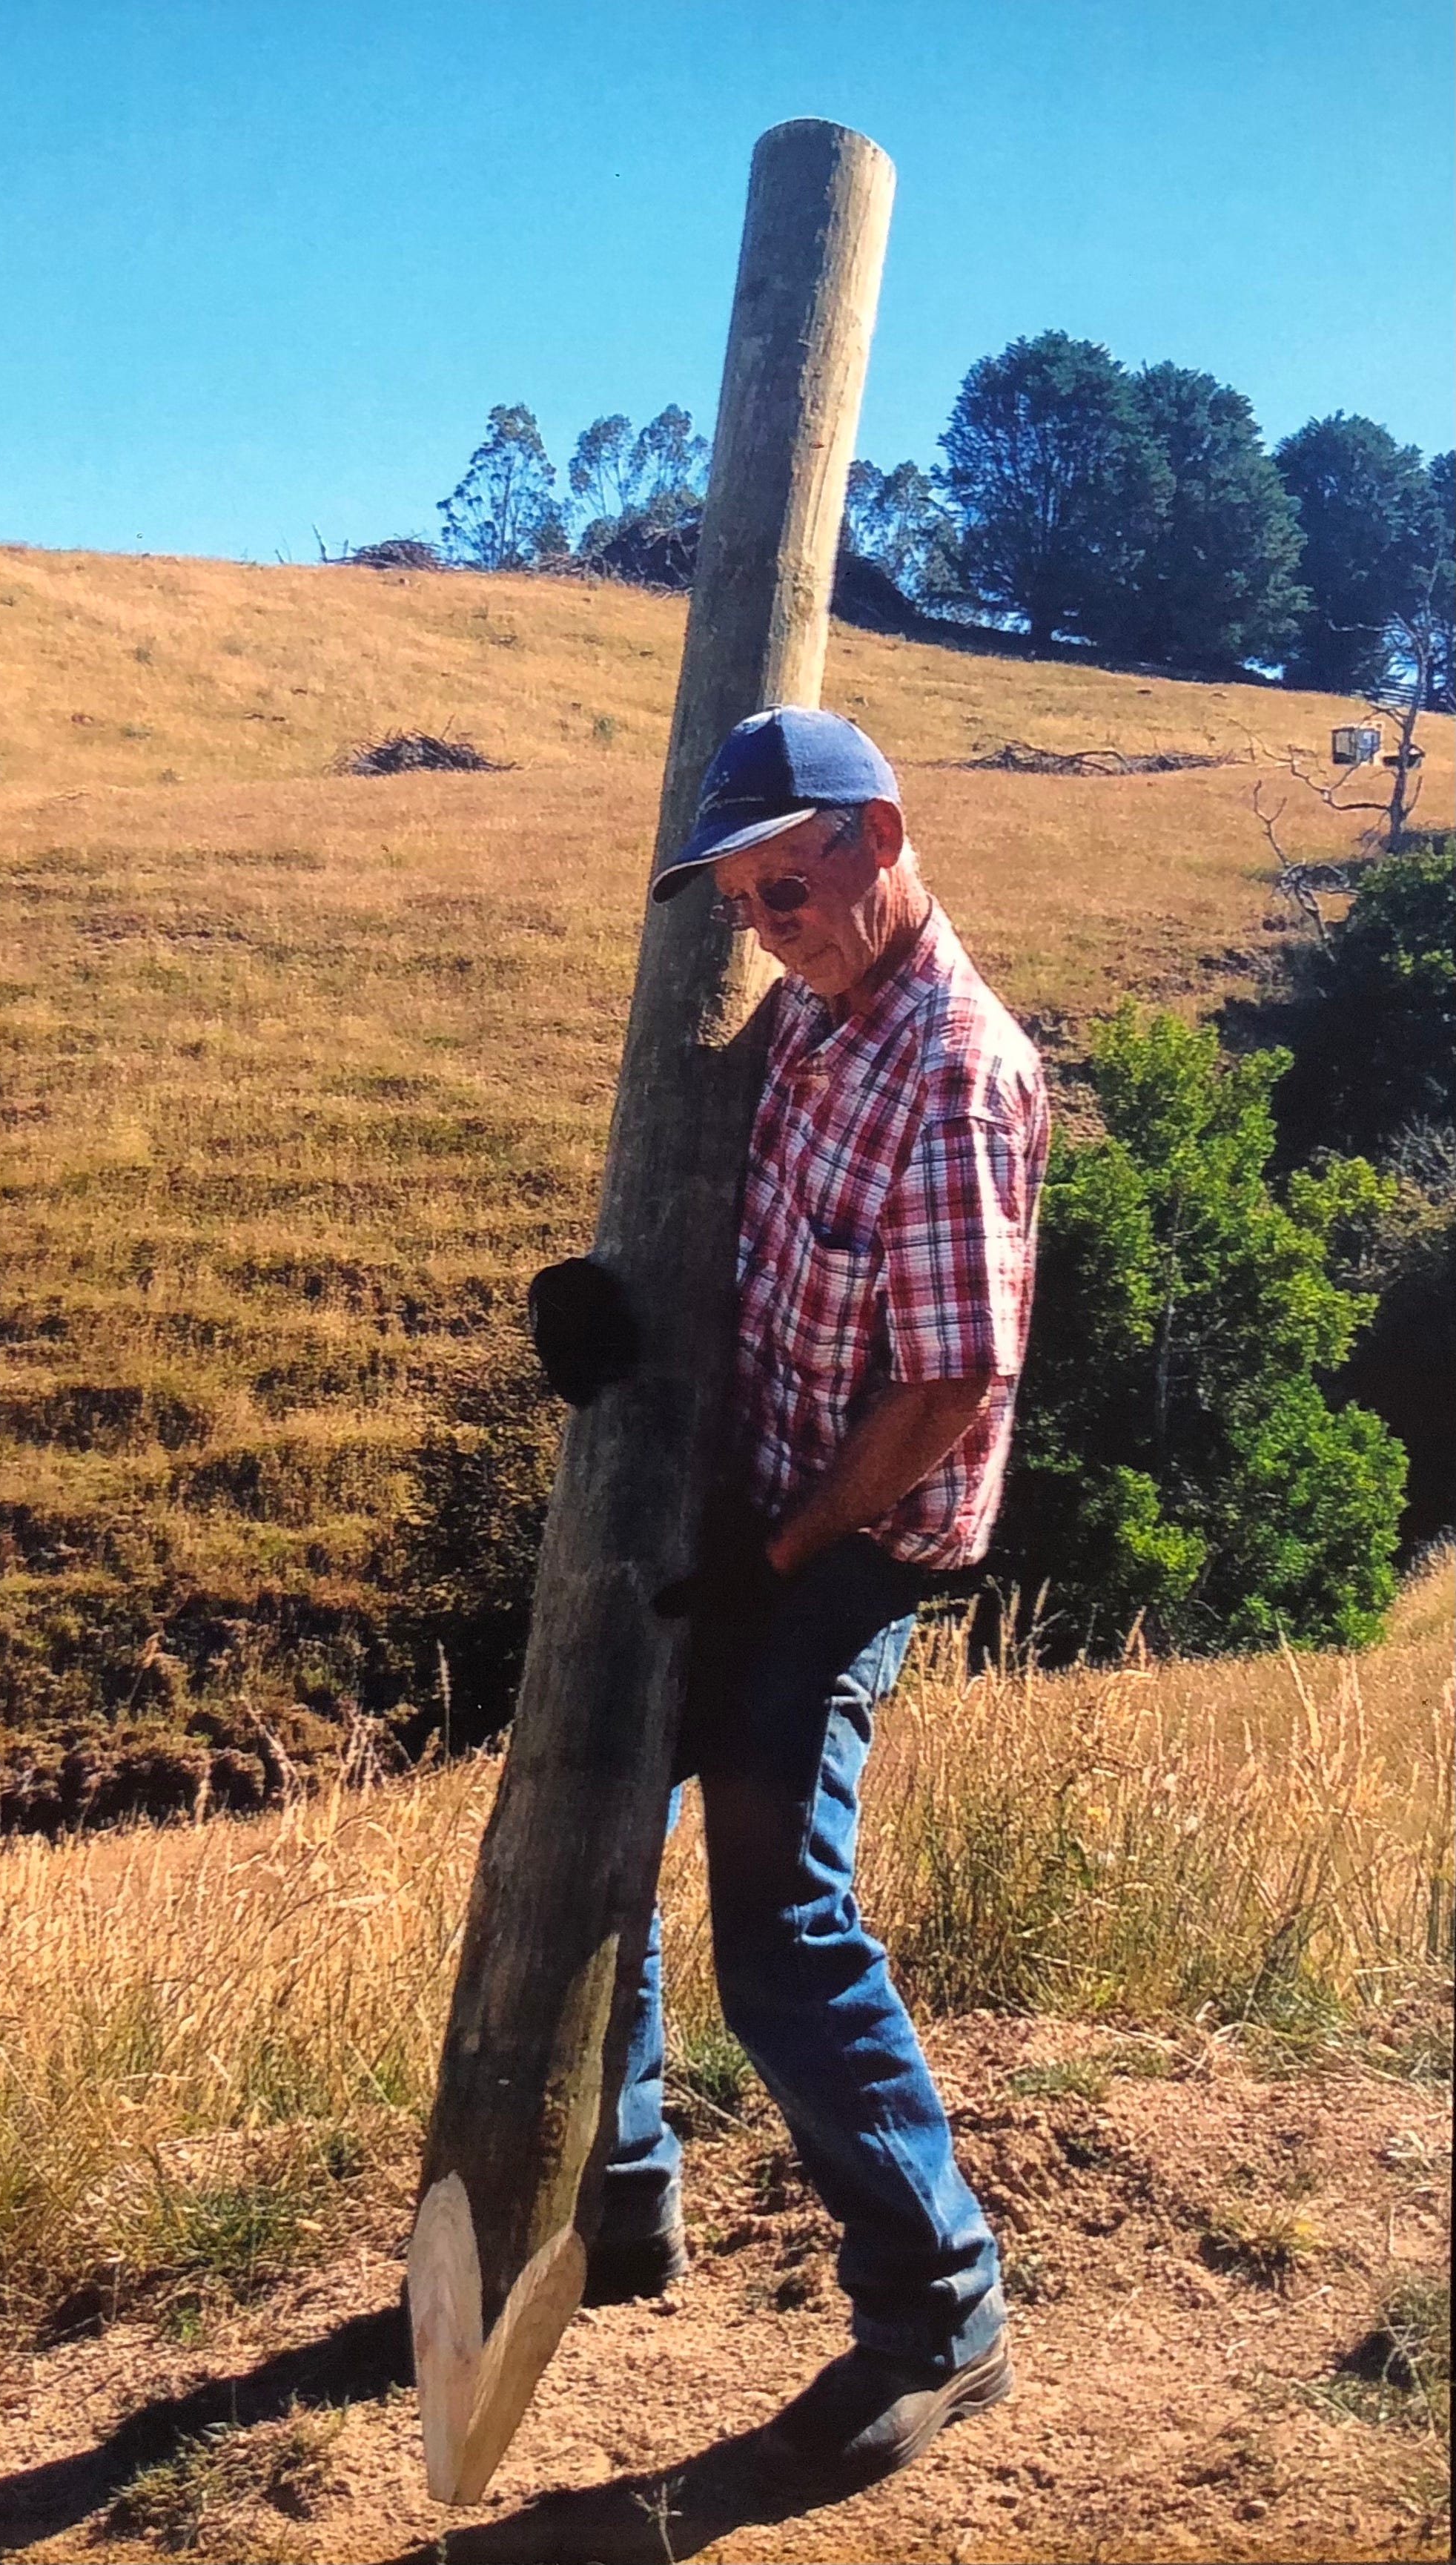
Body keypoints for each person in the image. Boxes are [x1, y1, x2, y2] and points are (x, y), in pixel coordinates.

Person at [529, 704, 1049, 2486]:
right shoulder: (818, 1013)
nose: (771, 927)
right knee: (601, 1812)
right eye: (746, 904)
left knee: (781, 1931)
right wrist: (599, 1292)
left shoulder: (952, 1067)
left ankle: (939, 2309)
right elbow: (708, 1183)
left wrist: (775, 1566)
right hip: (753, 1503)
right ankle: (619, 2197)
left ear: (878, 836)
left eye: (792, 887)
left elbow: (946, 1386)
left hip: (850, 1541)